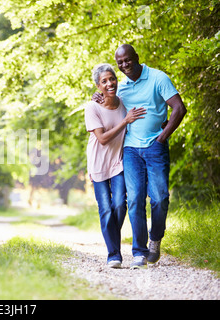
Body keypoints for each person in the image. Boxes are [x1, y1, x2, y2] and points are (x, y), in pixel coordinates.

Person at [93, 44, 187, 269]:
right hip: (131, 150)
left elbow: (179, 108)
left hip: (155, 147)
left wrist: (163, 136)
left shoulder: (158, 78)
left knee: (160, 197)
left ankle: (155, 238)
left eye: (128, 60)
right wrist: (97, 94)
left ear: (136, 57)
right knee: (134, 200)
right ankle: (139, 252)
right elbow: (107, 102)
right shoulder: (121, 87)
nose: (125, 65)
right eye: (120, 63)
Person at [85, 63, 146, 268]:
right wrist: (124, 122)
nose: (110, 83)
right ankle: (114, 254)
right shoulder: (92, 107)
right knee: (106, 210)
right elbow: (102, 139)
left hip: (118, 162)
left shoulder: (123, 103)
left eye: (112, 79)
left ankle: (111, 238)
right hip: (98, 163)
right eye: (104, 81)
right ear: (98, 86)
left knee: (119, 204)